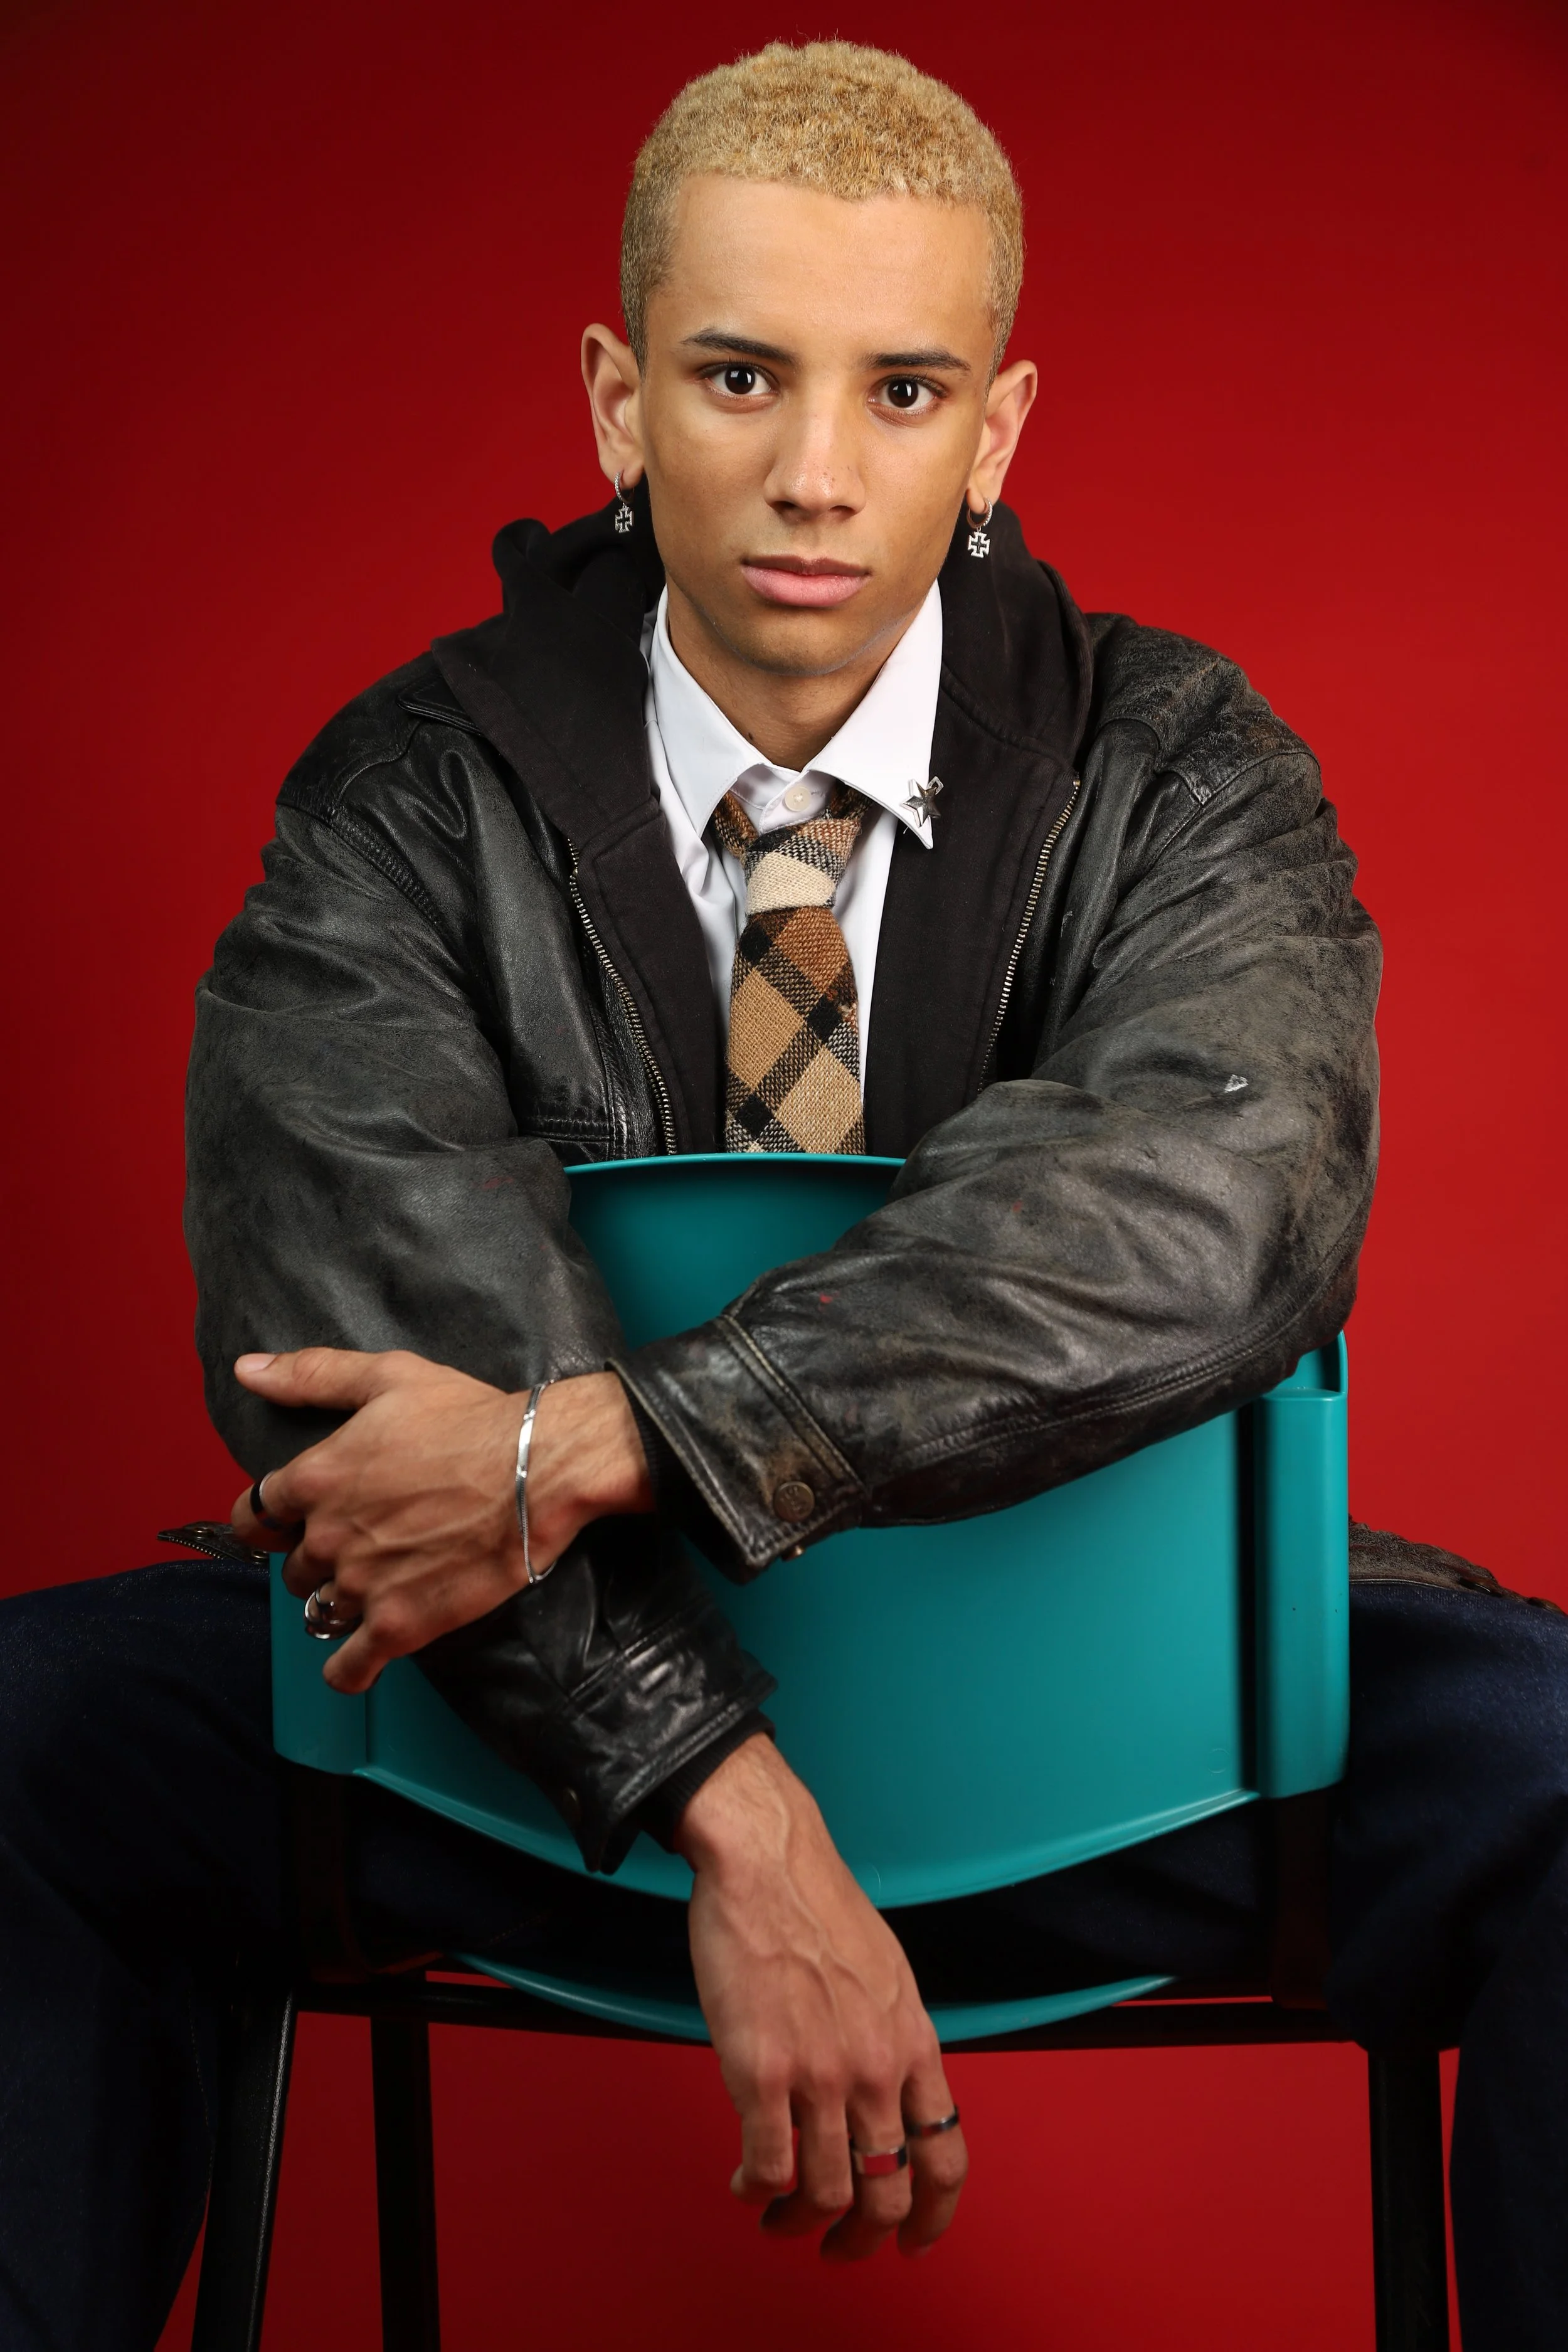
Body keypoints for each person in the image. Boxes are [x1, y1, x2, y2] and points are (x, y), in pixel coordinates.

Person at [1, 40, 1564, 2351]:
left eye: (901, 391)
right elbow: (362, 1342)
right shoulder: (404, 796)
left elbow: (1210, 1207)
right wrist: (730, 1804)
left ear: (995, 432)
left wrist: (602, 1437)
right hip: (512, 1765)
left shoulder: (1182, 767)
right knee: (29, 1741)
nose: (815, 472)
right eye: (739, 376)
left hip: (1127, 1753)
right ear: (616, 400)